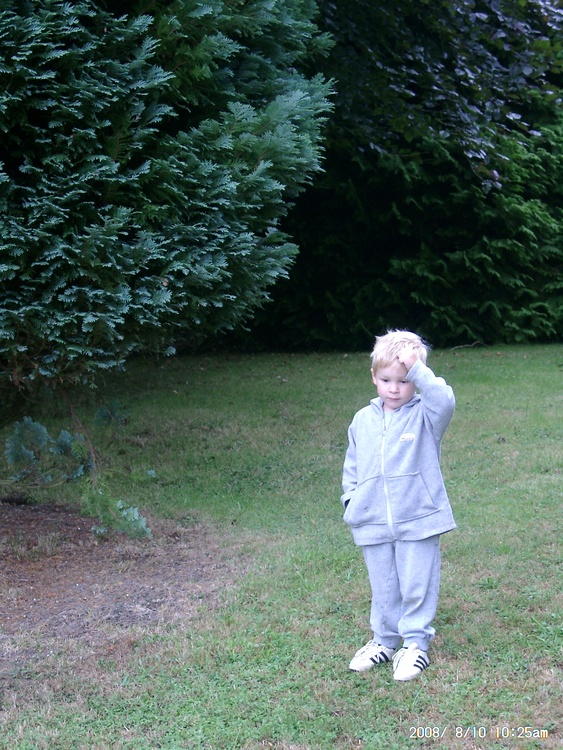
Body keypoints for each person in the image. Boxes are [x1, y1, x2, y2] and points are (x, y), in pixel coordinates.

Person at [341, 329, 456, 681]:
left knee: (416, 583)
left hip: (418, 518)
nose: (394, 389)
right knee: (384, 585)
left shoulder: (426, 415)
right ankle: (384, 640)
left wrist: (417, 368)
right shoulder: (362, 420)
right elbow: (352, 466)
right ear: (374, 377)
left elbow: (444, 400)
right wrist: (351, 501)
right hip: (372, 520)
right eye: (386, 380)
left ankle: (415, 644)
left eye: (404, 381)